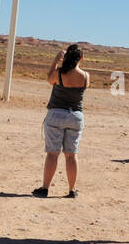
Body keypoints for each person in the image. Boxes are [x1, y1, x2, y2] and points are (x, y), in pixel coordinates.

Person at [32, 44, 88, 198]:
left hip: (56, 114)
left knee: (52, 154)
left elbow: (49, 79)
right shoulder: (85, 76)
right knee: (71, 155)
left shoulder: (59, 73)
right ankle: (72, 190)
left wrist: (56, 61)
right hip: (75, 116)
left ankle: (44, 188)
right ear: (81, 58)